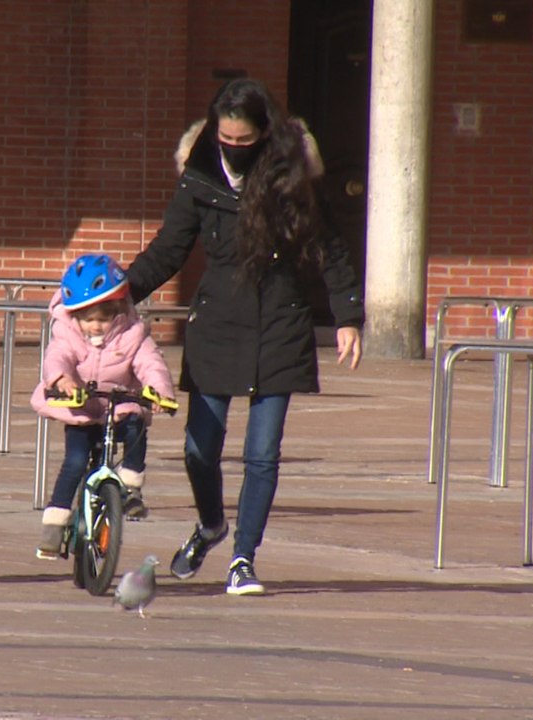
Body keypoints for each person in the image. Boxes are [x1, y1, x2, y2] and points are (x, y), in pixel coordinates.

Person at [125, 78, 364, 596]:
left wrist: (347, 315)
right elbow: (168, 249)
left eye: (244, 140)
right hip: (217, 323)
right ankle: (211, 525)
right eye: (226, 139)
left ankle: (243, 559)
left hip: (281, 322)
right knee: (199, 451)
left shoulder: (291, 177)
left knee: (262, 454)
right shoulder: (200, 176)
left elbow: (330, 247)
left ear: (264, 133)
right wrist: (119, 292)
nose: (234, 149)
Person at [29, 253, 177, 559]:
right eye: (87, 319)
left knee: (135, 425)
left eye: (103, 319)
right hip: (82, 408)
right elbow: (57, 357)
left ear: (119, 311)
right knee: (75, 461)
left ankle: (130, 485)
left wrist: (158, 391)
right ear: (75, 316)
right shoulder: (68, 333)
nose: (95, 326)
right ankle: (54, 525)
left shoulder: (132, 334)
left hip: (119, 404)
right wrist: (62, 380)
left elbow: (151, 363)